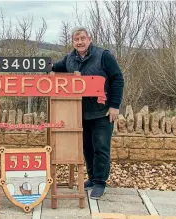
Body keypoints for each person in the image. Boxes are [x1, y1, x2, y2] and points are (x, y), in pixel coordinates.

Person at [52, 27, 124, 199]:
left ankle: (100, 182)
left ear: (90, 39)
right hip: (80, 113)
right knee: (87, 148)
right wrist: (40, 67)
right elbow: (54, 67)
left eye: (83, 38)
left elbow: (118, 78)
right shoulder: (70, 58)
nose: (80, 42)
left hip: (102, 112)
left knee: (101, 147)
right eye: (76, 39)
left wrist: (114, 105)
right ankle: (92, 178)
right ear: (72, 42)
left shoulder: (103, 55)